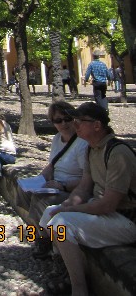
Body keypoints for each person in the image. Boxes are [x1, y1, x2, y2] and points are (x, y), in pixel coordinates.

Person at [39, 103, 136, 296]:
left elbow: (109, 203)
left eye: (80, 121)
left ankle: (78, 288)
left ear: (97, 125)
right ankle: (61, 266)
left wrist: (69, 211)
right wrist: (67, 204)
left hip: (125, 219)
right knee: (52, 212)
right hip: (105, 212)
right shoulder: (92, 149)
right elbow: (84, 187)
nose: (75, 125)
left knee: (61, 224)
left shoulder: (118, 153)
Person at [20, 101, 88, 259]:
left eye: (67, 118)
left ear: (74, 119)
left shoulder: (82, 143)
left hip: (72, 189)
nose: (63, 123)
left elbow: (88, 180)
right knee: (24, 191)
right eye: (58, 120)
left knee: (41, 200)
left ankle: (46, 240)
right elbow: (52, 164)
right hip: (55, 184)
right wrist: (38, 180)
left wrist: (62, 185)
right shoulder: (57, 139)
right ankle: (40, 229)